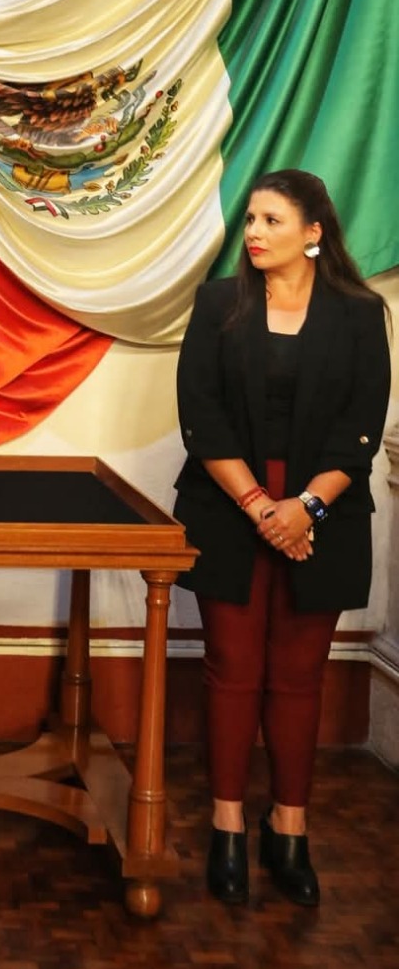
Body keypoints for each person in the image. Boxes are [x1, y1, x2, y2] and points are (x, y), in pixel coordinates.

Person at [174, 169, 391, 907]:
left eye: (272, 220)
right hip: (230, 505)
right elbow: (199, 414)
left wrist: (305, 510)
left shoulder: (361, 314)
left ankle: (289, 829)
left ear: (314, 232)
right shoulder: (218, 304)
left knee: (299, 676)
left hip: (323, 512)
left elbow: (360, 427)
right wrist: (265, 508)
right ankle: (228, 825)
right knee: (232, 669)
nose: (255, 233)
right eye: (251, 220)